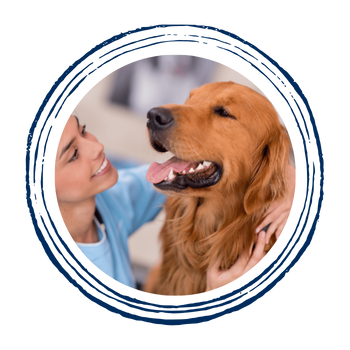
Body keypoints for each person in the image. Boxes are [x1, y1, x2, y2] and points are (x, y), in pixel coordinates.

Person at [52, 113, 301, 296]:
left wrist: (288, 173)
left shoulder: (110, 201)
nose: (97, 147)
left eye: (83, 130)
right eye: (73, 155)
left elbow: (177, 174)